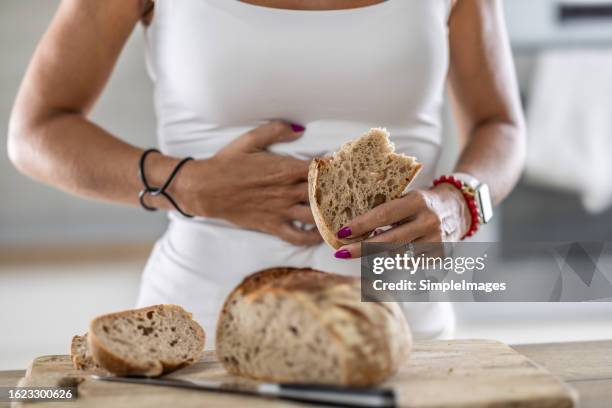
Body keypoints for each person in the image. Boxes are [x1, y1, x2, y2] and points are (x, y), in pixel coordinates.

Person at [8, 0, 525, 346]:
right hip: (204, 331)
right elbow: (35, 132)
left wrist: (459, 201)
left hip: (400, 328)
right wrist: (185, 184)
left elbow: (499, 123)